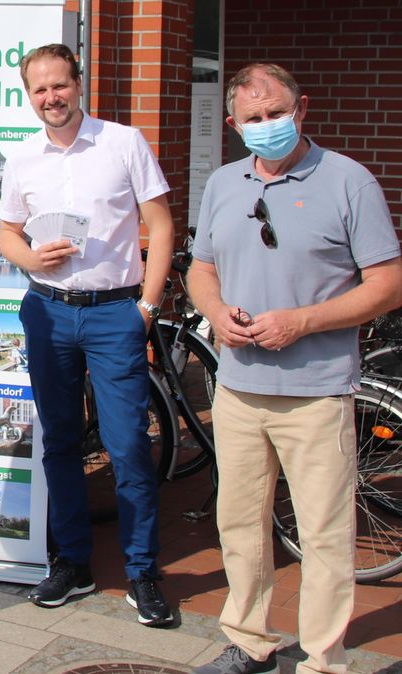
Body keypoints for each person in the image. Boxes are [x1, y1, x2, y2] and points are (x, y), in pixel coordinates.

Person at [187, 64, 402, 674]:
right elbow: (202, 268)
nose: (267, 125)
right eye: (253, 118)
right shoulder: (223, 183)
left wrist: (302, 322)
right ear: (234, 125)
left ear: (301, 109)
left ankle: (324, 661)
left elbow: (387, 284)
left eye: (277, 113)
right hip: (238, 389)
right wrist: (214, 311)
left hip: (317, 392)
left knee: (324, 535)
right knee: (240, 527)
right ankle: (250, 643)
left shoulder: (349, 182)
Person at [0, 43, 175, 626]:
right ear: (30, 96)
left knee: (128, 446)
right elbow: (6, 233)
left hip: (114, 312)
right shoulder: (23, 158)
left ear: (78, 83)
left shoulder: (124, 143)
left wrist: (147, 307)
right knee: (61, 443)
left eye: (60, 85)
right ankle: (73, 563)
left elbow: (161, 225)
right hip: (48, 313)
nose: (52, 97)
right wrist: (30, 258)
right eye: (40, 89)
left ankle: (143, 571)